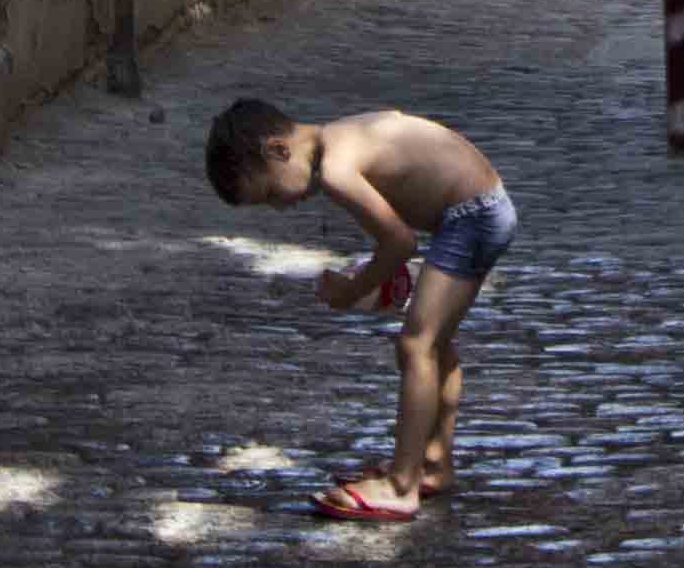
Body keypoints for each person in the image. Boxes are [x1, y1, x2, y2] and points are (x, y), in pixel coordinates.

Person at [204, 97, 513, 523]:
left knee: (416, 344)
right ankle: (435, 463)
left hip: (471, 216)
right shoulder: (340, 135)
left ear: (279, 149)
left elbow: (399, 242)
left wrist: (355, 289)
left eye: (272, 193)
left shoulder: (335, 170)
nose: (279, 206)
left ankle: (401, 486)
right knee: (437, 341)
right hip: (477, 210)